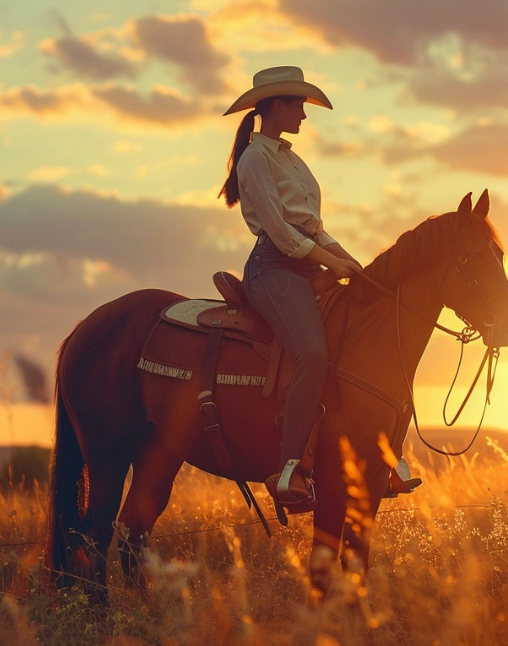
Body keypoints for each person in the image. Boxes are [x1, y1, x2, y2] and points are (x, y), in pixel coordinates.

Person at [219, 66, 361, 507]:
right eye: (298, 103)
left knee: (354, 343)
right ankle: (290, 471)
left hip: (305, 265)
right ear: (276, 105)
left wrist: (351, 259)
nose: (304, 113)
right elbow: (281, 232)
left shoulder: (291, 158)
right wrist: (330, 261)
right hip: (273, 269)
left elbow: (313, 226)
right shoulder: (255, 158)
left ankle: (366, 457)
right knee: (313, 354)